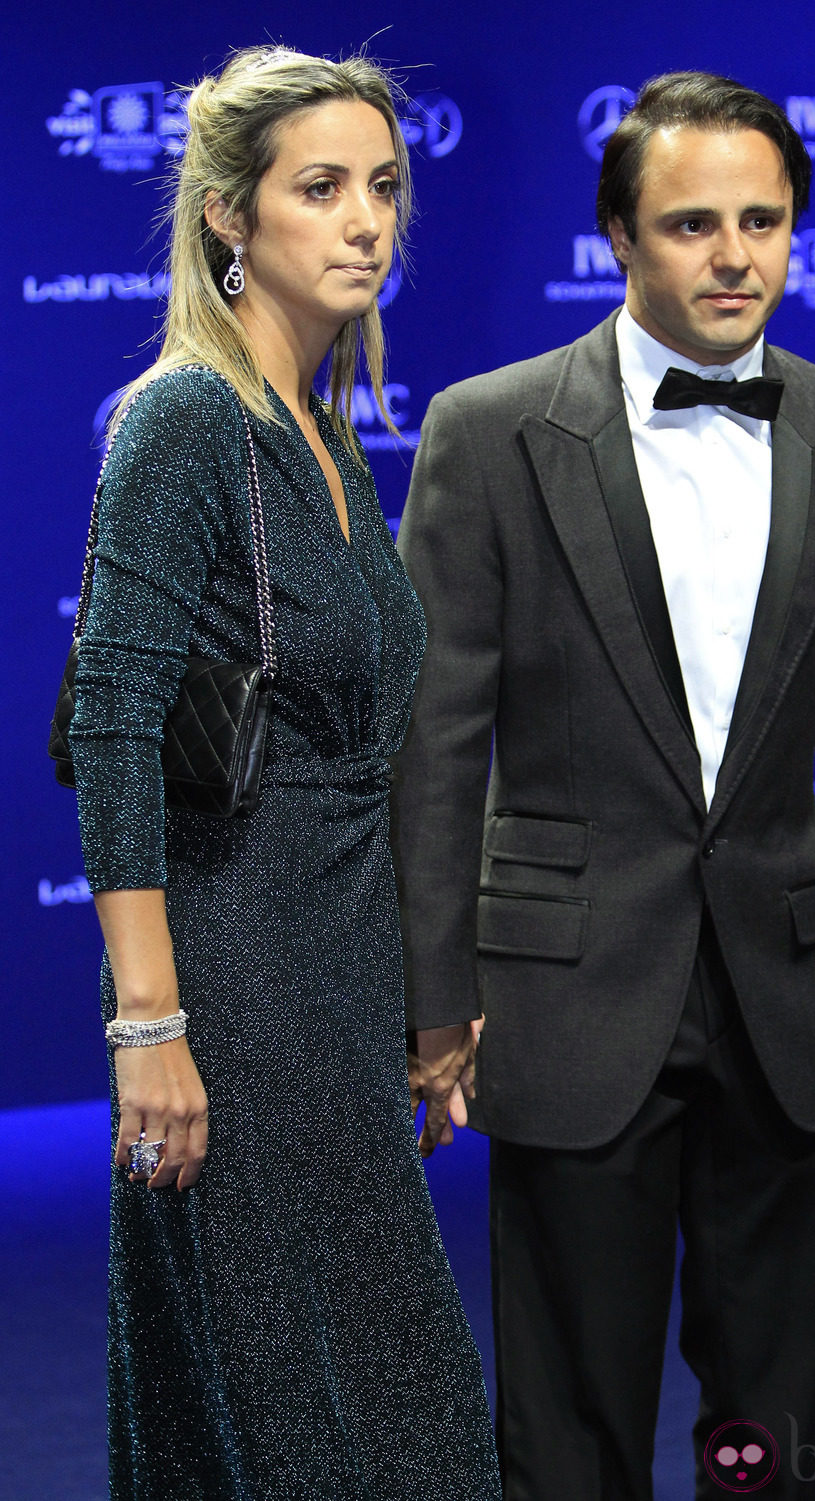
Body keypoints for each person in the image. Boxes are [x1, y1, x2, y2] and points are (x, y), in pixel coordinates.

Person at [391, 71, 815, 1500]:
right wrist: (430, 993)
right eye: (694, 223)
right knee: (571, 1425)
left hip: (785, 978)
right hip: (565, 985)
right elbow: (436, 743)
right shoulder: (488, 429)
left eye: (764, 221)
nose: (736, 254)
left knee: (768, 1423)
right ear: (620, 240)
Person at [66, 44, 500, 1501]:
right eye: (321, 188)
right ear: (228, 218)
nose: (367, 219)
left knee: (391, 1413)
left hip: (339, 981)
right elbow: (115, 719)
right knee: (299, 1423)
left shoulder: (330, 438)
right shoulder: (185, 423)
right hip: (232, 995)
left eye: (384, 186)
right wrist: (150, 1027)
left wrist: (409, 1007)